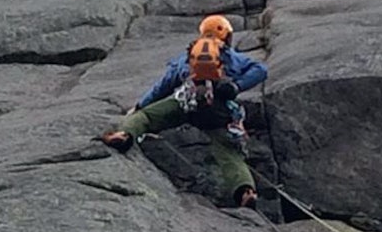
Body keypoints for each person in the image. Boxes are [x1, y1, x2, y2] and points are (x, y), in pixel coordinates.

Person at [102, 14, 268, 208]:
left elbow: (163, 86)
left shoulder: (188, 55)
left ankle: (125, 134)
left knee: (145, 117)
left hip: (186, 102)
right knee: (228, 151)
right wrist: (236, 86)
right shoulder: (229, 56)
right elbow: (260, 70)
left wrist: (141, 105)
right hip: (218, 108)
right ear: (227, 36)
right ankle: (244, 191)